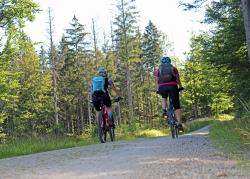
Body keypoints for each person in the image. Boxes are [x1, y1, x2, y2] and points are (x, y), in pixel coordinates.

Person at [154, 56, 184, 132]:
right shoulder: (174, 68)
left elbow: (157, 81)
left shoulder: (158, 70)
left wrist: (157, 89)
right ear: (170, 62)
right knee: (177, 106)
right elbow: (178, 79)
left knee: (164, 97)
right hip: (173, 87)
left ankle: (164, 111)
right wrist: (180, 87)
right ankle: (179, 124)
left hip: (162, 87)